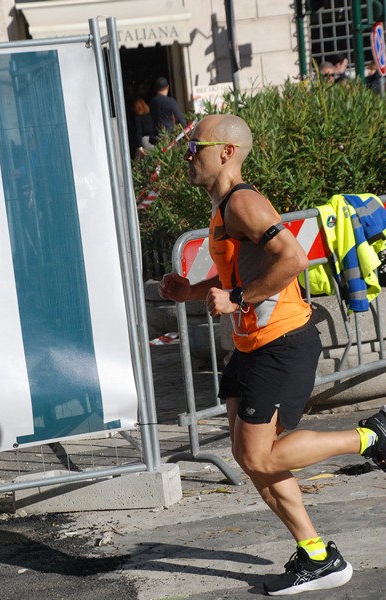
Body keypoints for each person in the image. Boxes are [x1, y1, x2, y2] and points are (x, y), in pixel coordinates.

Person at [159, 113, 386, 595]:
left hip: (281, 344)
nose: (187, 157)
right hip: (252, 346)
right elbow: (238, 275)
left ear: (225, 153)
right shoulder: (225, 207)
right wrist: (191, 291)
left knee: (258, 454)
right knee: (250, 455)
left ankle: (372, 436)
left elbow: (292, 258)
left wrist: (238, 299)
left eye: (194, 147)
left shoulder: (243, 203)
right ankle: (317, 555)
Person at [149, 76, 186, 144]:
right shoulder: (170, 102)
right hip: (168, 138)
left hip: (155, 138)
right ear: (167, 87)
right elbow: (180, 119)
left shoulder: (152, 102)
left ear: (155, 89)